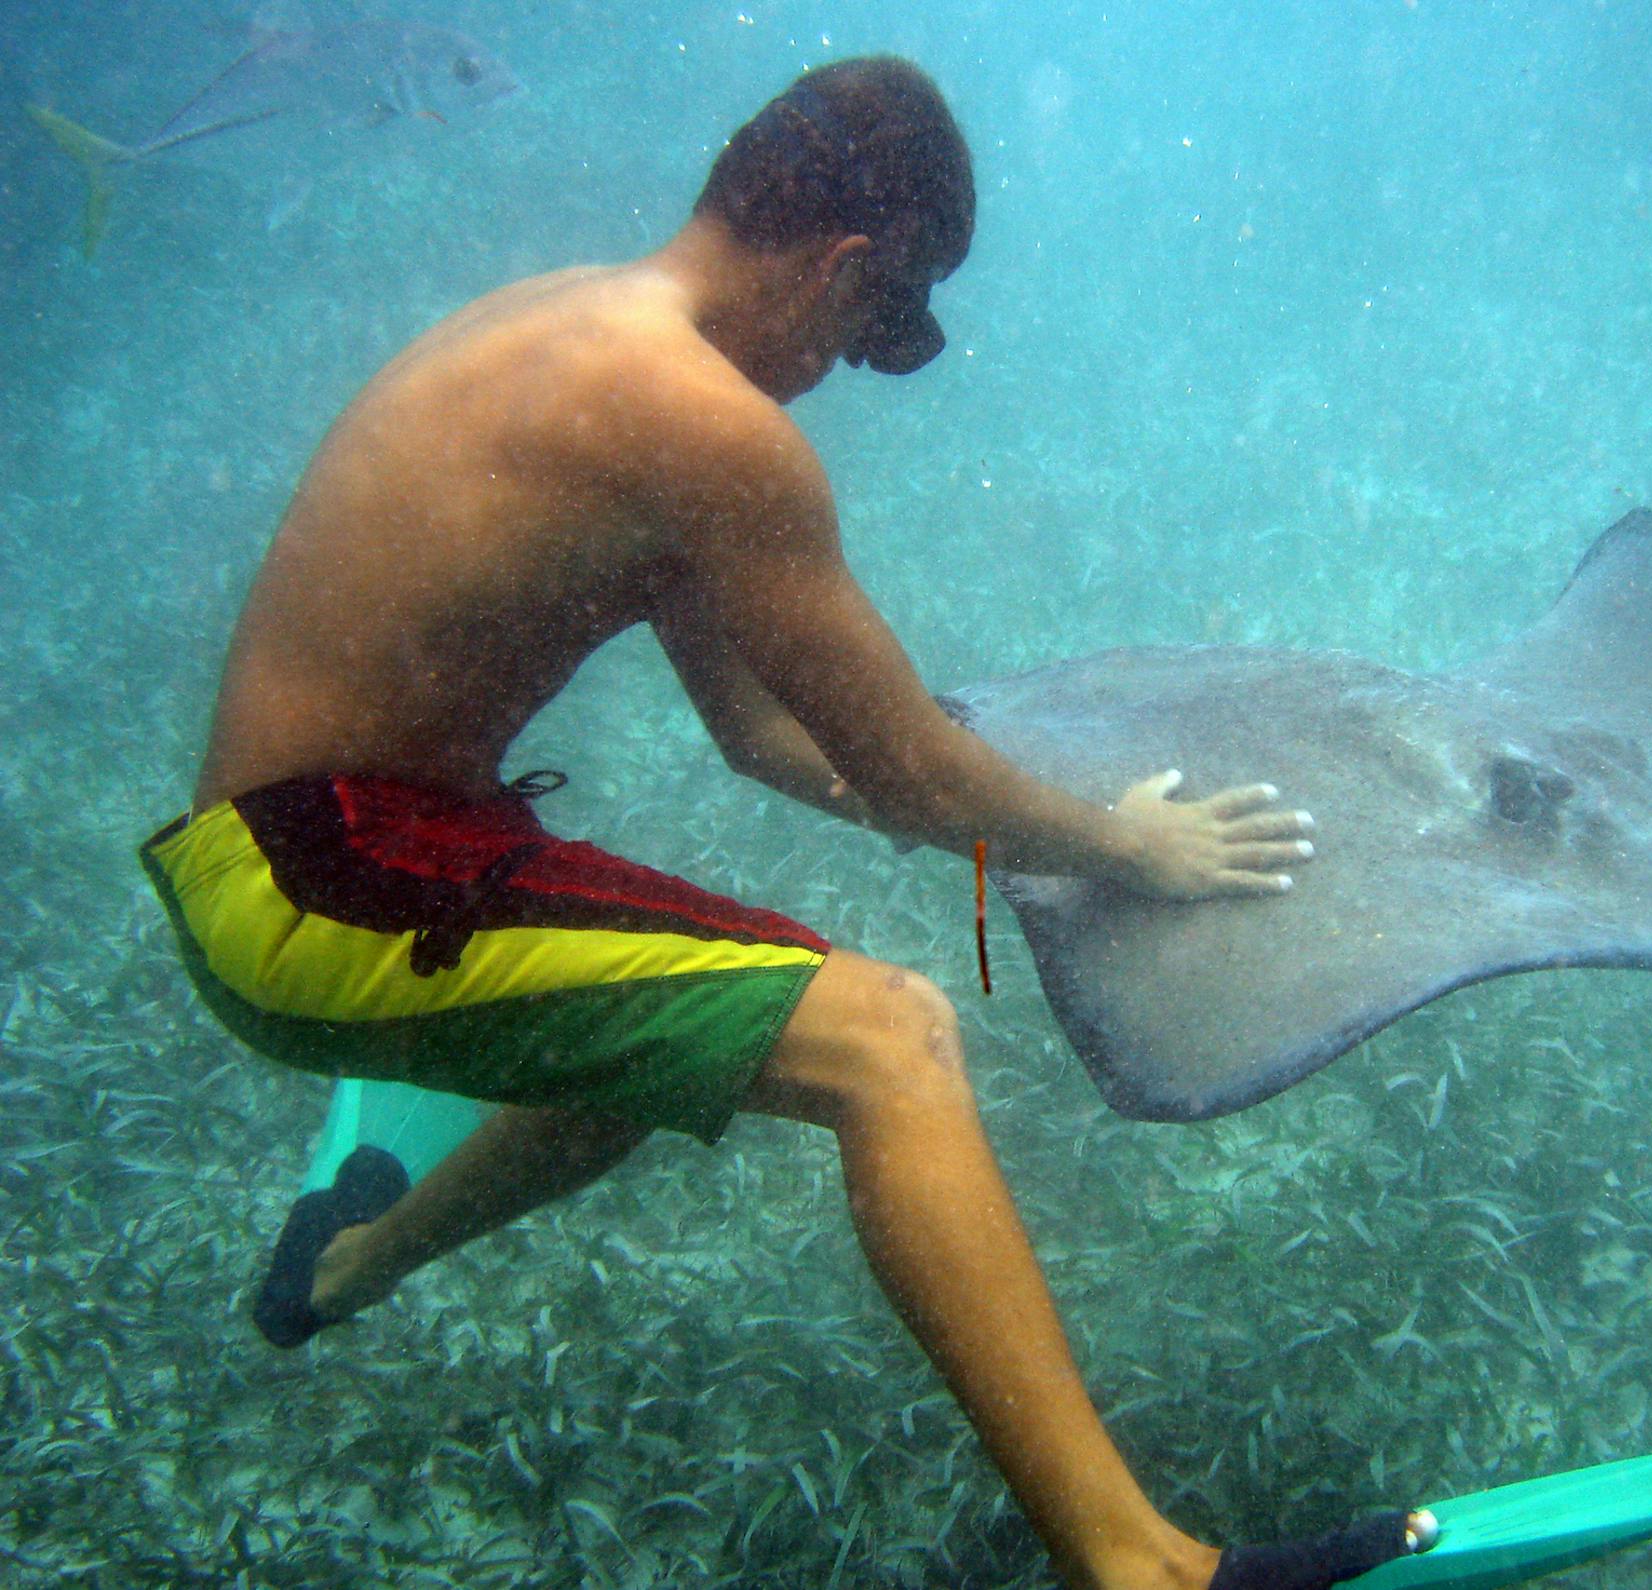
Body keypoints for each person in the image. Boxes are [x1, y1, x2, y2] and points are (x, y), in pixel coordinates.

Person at [140, 57, 1431, 1590]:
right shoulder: (703, 423)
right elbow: (903, 772)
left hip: (332, 848)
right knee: (892, 1042)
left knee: (662, 1032)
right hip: (312, 882)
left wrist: (1014, 826)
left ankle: (336, 1263)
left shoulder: (584, 330)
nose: (842, 370)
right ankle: (1141, 1567)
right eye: (873, 330)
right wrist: (1120, 844)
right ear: (841, 265)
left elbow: (765, 739)